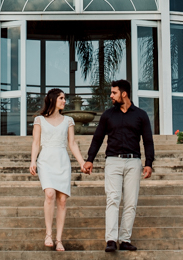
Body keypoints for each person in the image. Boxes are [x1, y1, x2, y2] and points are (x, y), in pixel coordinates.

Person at [82, 79, 155, 252]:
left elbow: (148, 141)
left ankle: (125, 240)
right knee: (113, 199)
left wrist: (148, 163)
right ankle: (111, 240)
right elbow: (98, 138)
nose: (111, 96)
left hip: (133, 162)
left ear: (124, 93)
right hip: (113, 161)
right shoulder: (108, 115)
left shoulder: (141, 115)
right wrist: (90, 159)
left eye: (114, 93)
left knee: (130, 202)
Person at [30, 87, 88, 252]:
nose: (64, 101)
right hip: (46, 160)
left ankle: (59, 239)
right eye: (61, 98)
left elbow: (72, 144)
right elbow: (36, 142)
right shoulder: (39, 120)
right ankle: (48, 234)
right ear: (53, 99)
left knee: (62, 200)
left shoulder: (68, 120)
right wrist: (33, 161)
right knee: (49, 194)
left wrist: (82, 162)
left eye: (64, 98)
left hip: (62, 161)